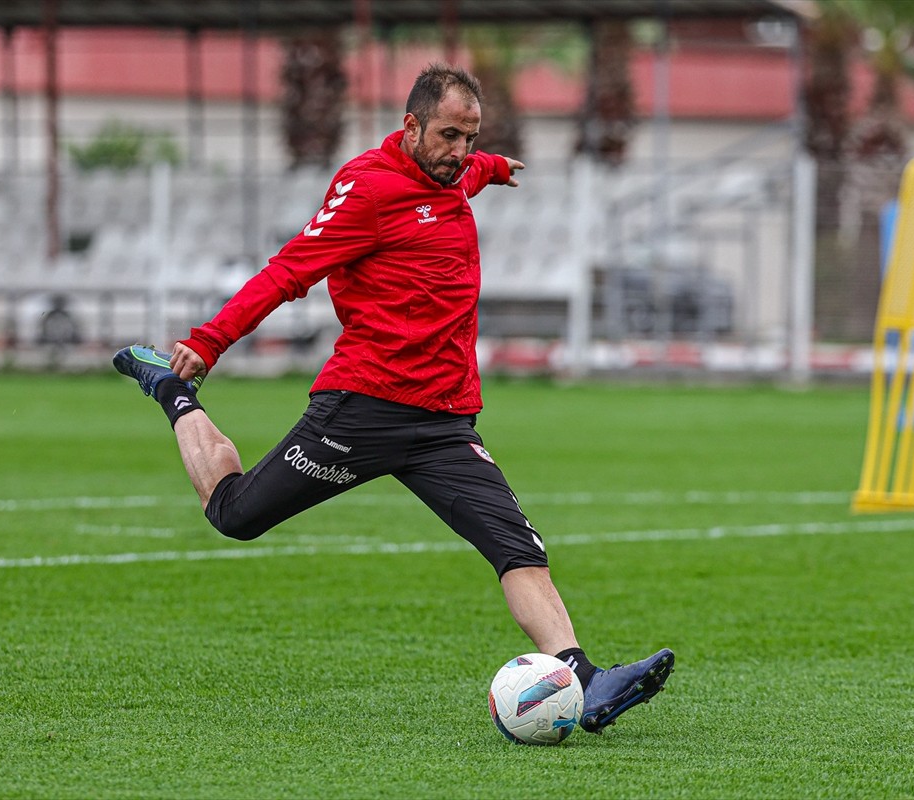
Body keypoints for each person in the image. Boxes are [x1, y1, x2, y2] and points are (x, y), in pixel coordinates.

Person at [114, 63, 673, 734]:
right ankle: (174, 393)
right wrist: (210, 341)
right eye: (448, 136)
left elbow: (466, 171)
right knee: (235, 515)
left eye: (470, 137)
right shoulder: (368, 191)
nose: (459, 152)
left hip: (444, 423)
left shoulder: (454, 170)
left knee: (517, 547)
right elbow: (289, 271)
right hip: (364, 408)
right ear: (409, 127)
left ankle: (584, 679)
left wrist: (494, 165)